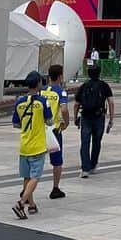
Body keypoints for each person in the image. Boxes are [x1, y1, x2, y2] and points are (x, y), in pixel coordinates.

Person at [11, 70, 53, 219]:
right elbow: (49, 121)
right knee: (35, 176)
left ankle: (32, 205)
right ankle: (21, 203)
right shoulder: (43, 102)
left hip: (24, 144)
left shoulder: (19, 102)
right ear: (39, 84)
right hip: (38, 145)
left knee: (27, 177)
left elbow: (16, 124)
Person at [74, 64, 114, 177]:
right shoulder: (104, 86)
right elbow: (111, 102)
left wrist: (76, 117)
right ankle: (93, 164)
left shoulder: (84, 86)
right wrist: (111, 119)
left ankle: (85, 169)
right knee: (97, 142)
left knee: (85, 142)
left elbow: (76, 104)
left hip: (85, 117)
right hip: (99, 117)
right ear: (99, 73)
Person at [41, 64, 70, 198]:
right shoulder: (61, 91)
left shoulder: (42, 90)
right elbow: (63, 109)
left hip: (40, 129)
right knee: (57, 161)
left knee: (36, 158)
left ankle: (27, 188)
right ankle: (55, 188)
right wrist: (67, 122)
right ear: (60, 76)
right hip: (54, 130)